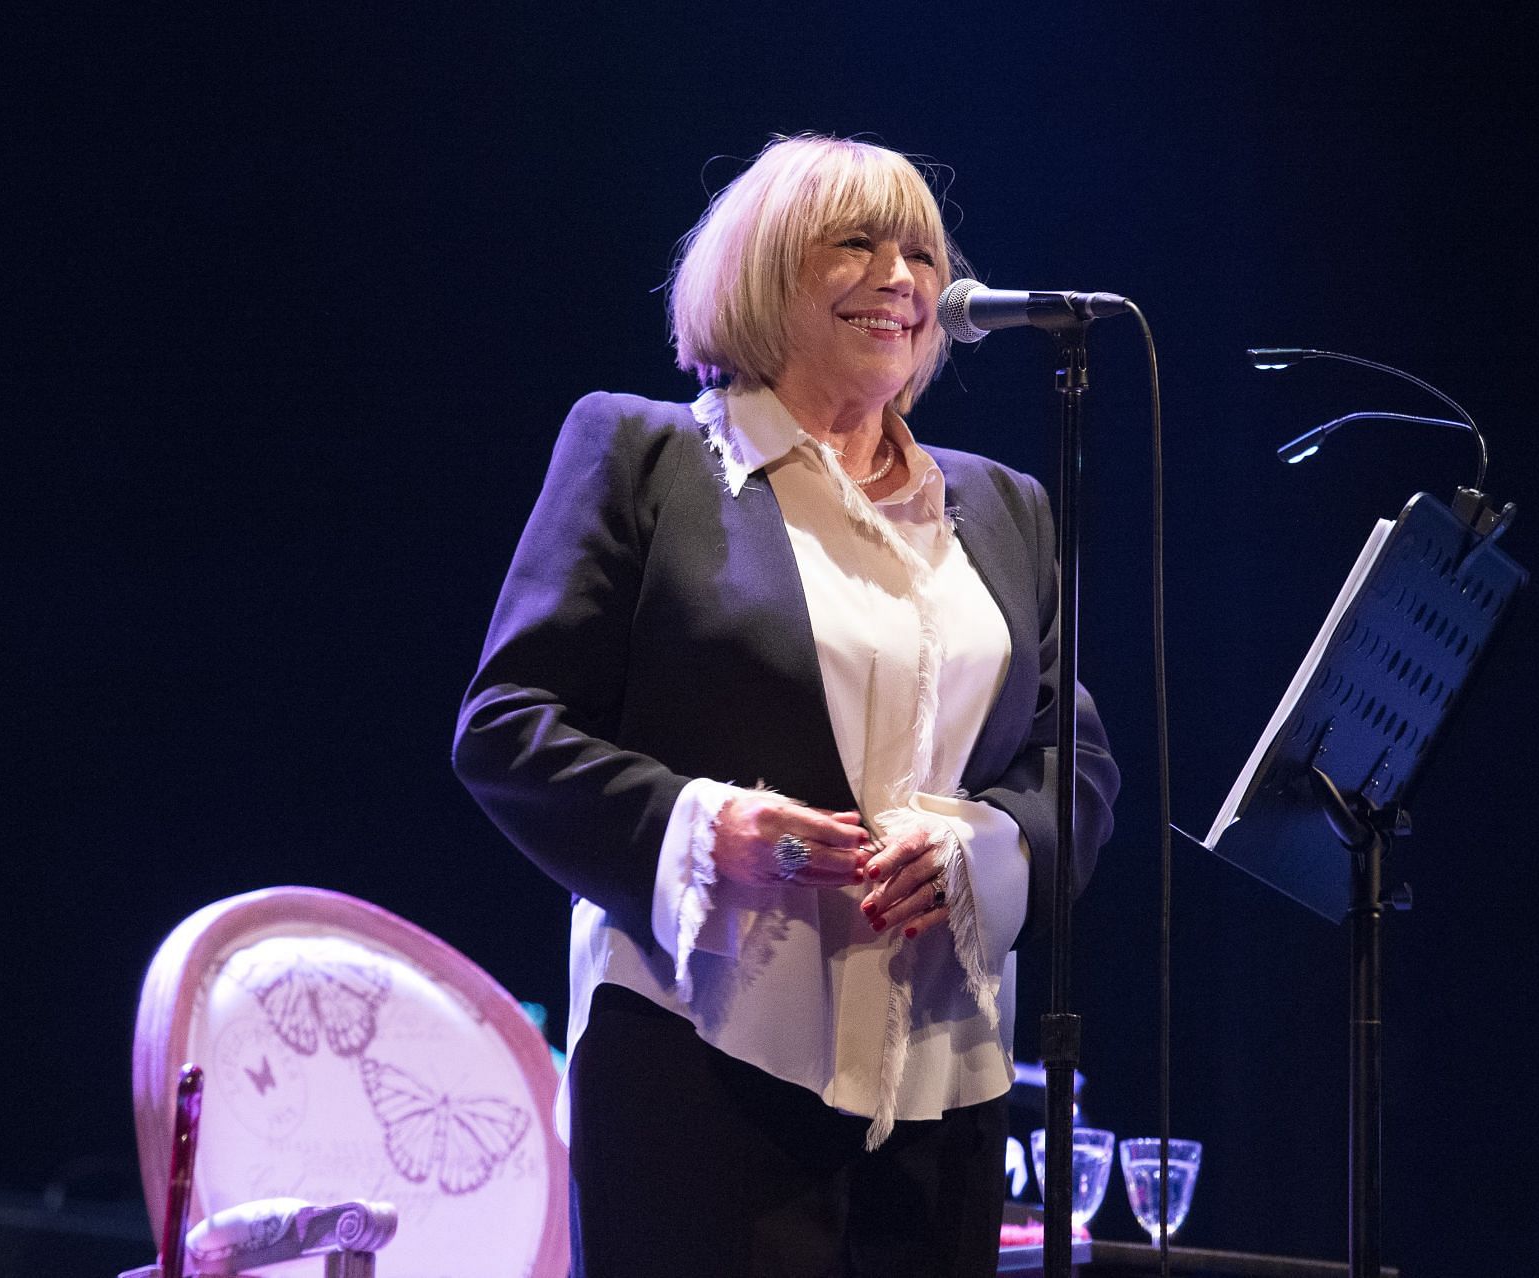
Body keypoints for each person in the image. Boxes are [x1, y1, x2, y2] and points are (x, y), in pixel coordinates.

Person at [452, 133, 1118, 1277]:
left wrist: (984, 850)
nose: (902, 277)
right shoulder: (644, 455)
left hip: (944, 1078)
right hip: (704, 1051)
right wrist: (702, 827)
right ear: (760, 274)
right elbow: (509, 727)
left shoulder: (1004, 508)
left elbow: (1077, 764)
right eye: (854, 243)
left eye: (920, 250)